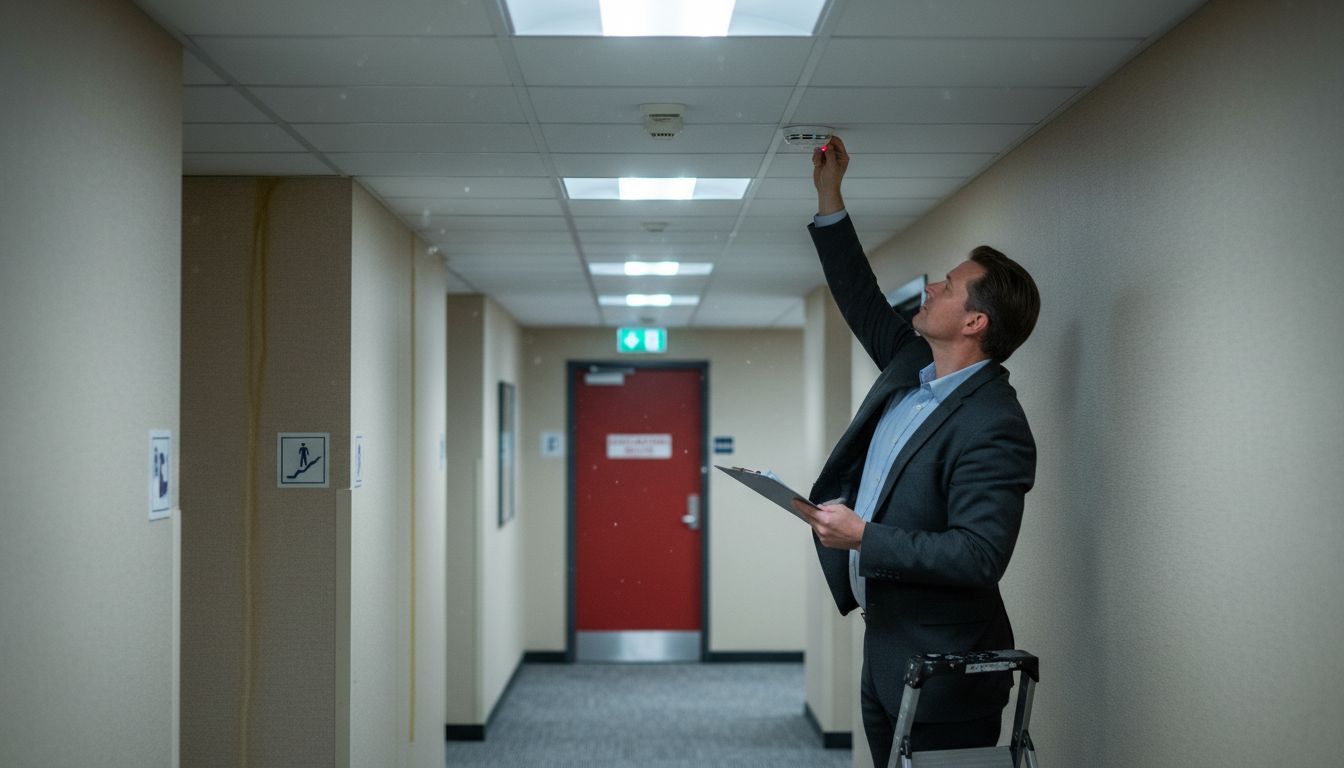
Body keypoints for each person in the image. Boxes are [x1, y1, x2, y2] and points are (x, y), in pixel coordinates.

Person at [792, 135, 1040, 764]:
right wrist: (830, 197)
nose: (931, 287)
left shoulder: (994, 424)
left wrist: (864, 537)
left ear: (975, 322)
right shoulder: (910, 366)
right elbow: (860, 298)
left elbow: (979, 554)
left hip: (947, 670)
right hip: (889, 650)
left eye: (949, 286)